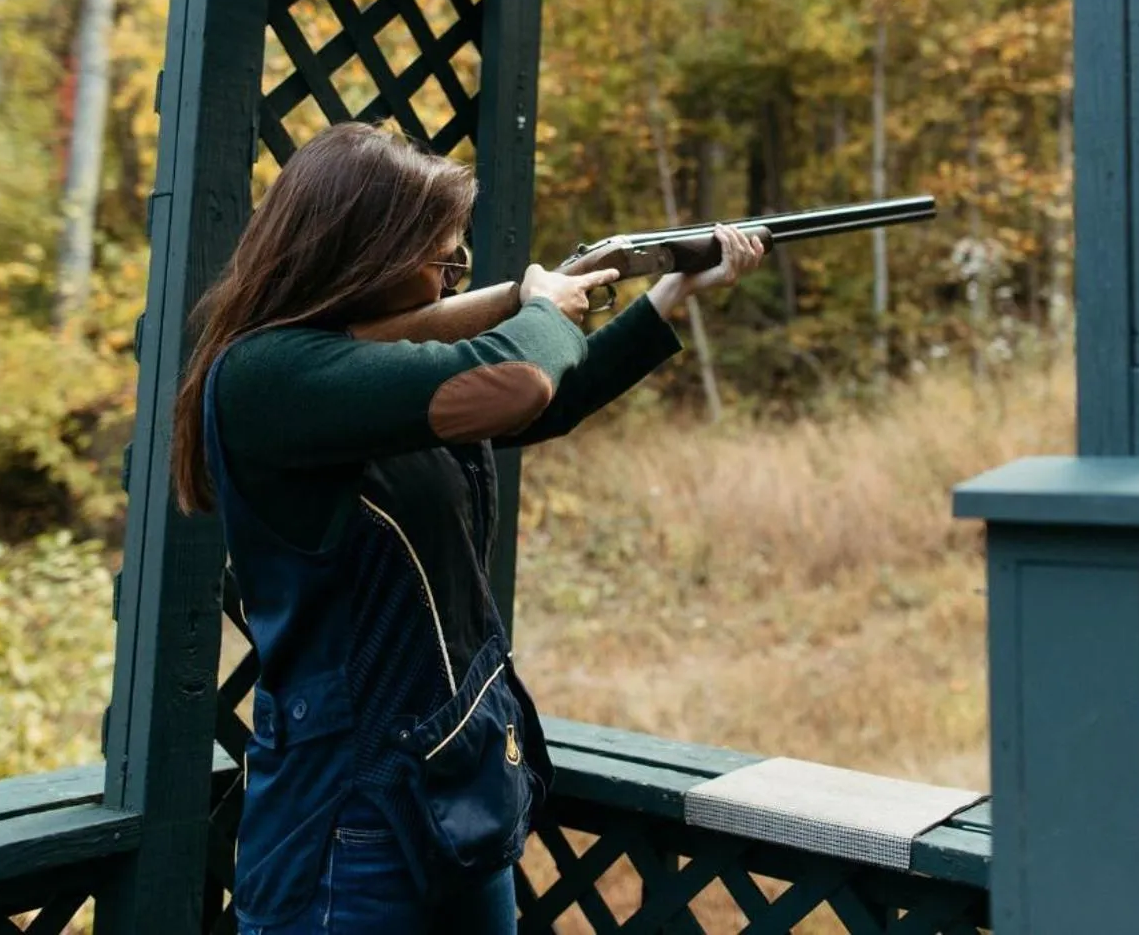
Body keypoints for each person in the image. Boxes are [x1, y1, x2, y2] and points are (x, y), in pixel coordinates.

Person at [170, 122, 763, 934]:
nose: (451, 279)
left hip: (454, 787)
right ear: (360, 253)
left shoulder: (368, 382)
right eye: (440, 262)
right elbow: (515, 381)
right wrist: (545, 304)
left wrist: (665, 294)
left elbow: (547, 402)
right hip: (347, 824)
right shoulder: (264, 377)